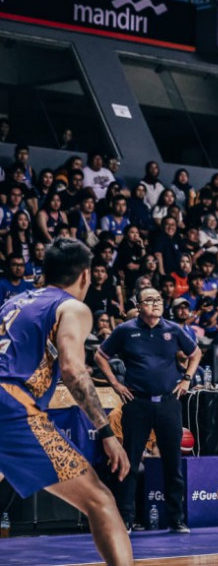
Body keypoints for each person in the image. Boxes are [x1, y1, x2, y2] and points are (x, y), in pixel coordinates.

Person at [0, 238, 131, 564]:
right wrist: (106, 432)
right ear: (85, 276)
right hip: (11, 407)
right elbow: (73, 369)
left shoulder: (13, 303)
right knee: (100, 500)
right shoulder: (72, 307)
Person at [93, 285, 199, 535]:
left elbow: (195, 353)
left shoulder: (173, 330)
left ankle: (177, 519)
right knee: (128, 463)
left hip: (168, 402)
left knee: (173, 463)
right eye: (149, 300)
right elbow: (99, 356)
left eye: (158, 299)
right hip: (137, 403)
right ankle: (125, 519)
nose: (155, 303)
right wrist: (115, 383)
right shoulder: (126, 331)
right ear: (139, 306)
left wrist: (186, 379)